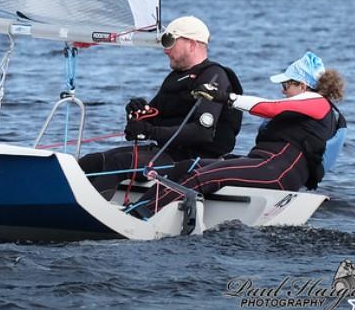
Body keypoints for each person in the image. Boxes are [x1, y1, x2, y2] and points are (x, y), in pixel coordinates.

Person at [129, 51, 347, 218]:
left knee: (204, 177)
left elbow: (268, 107)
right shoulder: (304, 104)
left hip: (276, 170)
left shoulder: (317, 102)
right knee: (189, 166)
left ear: (302, 85)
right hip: (264, 163)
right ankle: (143, 209)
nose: (282, 90)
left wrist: (224, 97)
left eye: (286, 84)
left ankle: (140, 215)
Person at [78, 16, 244, 200]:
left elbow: (202, 133)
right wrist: (137, 114)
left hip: (195, 160)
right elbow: (153, 119)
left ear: (191, 44)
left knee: (121, 162)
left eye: (170, 41)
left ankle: (96, 214)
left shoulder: (214, 76)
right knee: (93, 161)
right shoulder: (175, 77)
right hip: (167, 152)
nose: (165, 50)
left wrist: (151, 131)